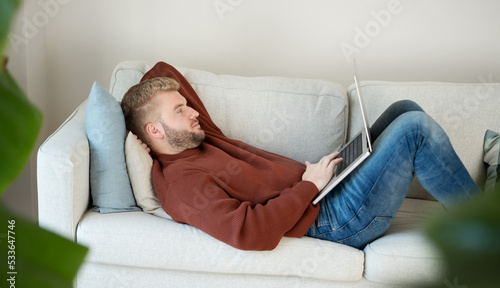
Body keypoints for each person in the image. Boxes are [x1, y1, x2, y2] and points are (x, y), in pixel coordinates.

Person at [121, 62, 480, 251]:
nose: (193, 112)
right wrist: (308, 186)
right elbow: (248, 232)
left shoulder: (195, 138)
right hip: (333, 220)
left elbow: (163, 71)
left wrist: (142, 110)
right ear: (154, 131)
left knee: (404, 109)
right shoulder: (183, 185)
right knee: (414, 128)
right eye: (180, 110)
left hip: (323, 191)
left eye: (187, 105)